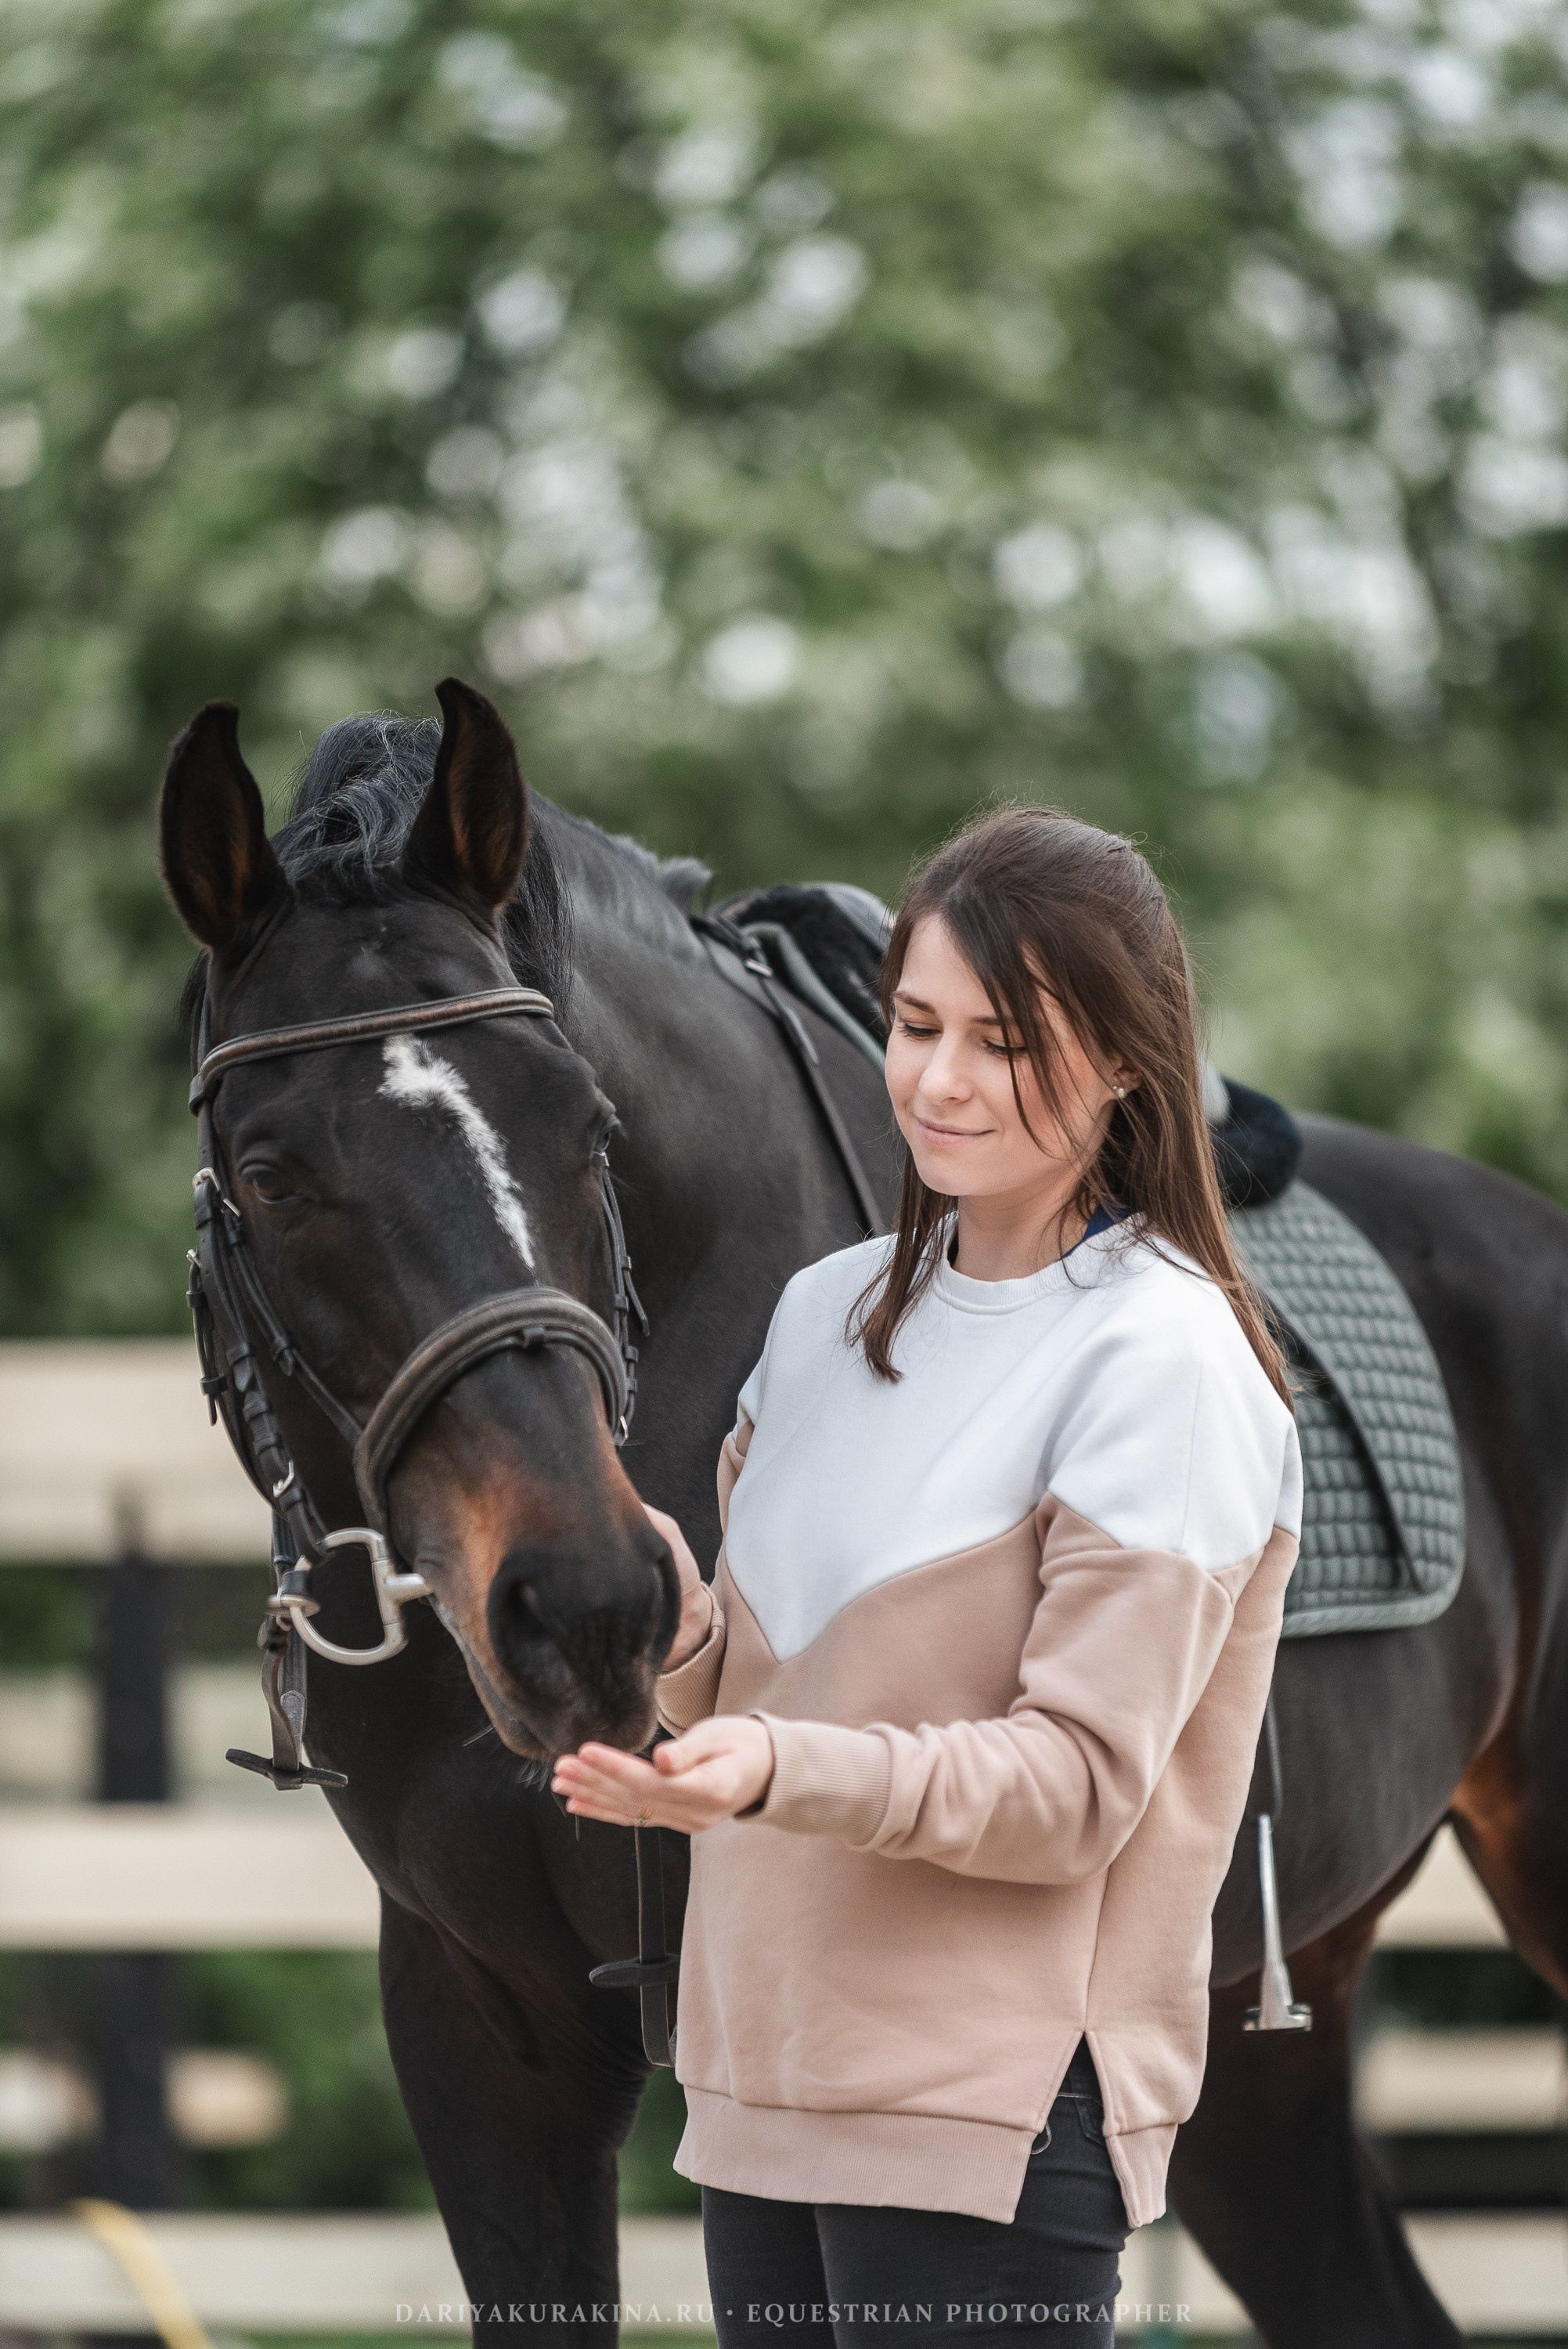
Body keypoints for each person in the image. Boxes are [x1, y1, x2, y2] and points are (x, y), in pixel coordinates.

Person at [551, 806, 1303, 2348]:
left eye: (1007, 1041)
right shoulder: (822, 1316)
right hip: (759, 2076)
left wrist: (768, 1765)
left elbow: (1074, 1791)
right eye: (915, 1025)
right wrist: (682, 1639)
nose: (943, 1081)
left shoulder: (1160, 1358)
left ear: (1121, 1063)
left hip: (993, 2114)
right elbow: (760, 1691)